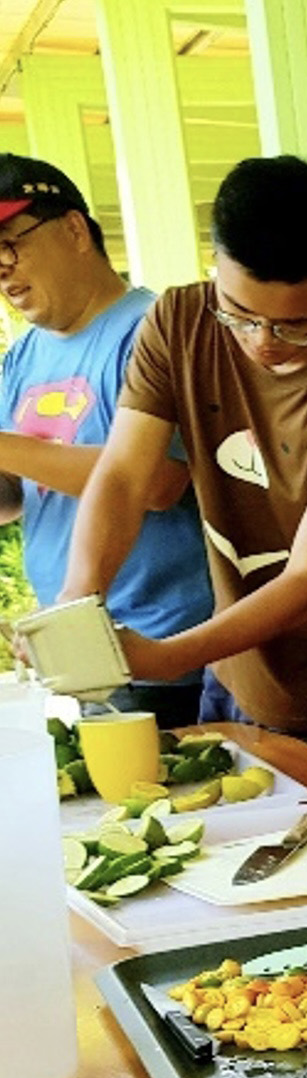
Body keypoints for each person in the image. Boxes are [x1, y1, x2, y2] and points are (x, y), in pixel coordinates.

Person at [61, 154, 307, 760]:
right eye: (240, 314)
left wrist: (165, 655)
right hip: (228, 683)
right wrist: (76, 603)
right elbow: (124, 475)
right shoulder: (179, 322)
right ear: (215, 266)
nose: (261, 343)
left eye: (293, 326)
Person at [0, 156, 209, 727]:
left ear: (72, 230)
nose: (1, 268)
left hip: (159, 650)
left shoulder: (151, 330)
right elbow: (13, 497)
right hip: (68, 647)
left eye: (9, 243)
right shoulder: (22, 356)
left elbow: (161, 482)